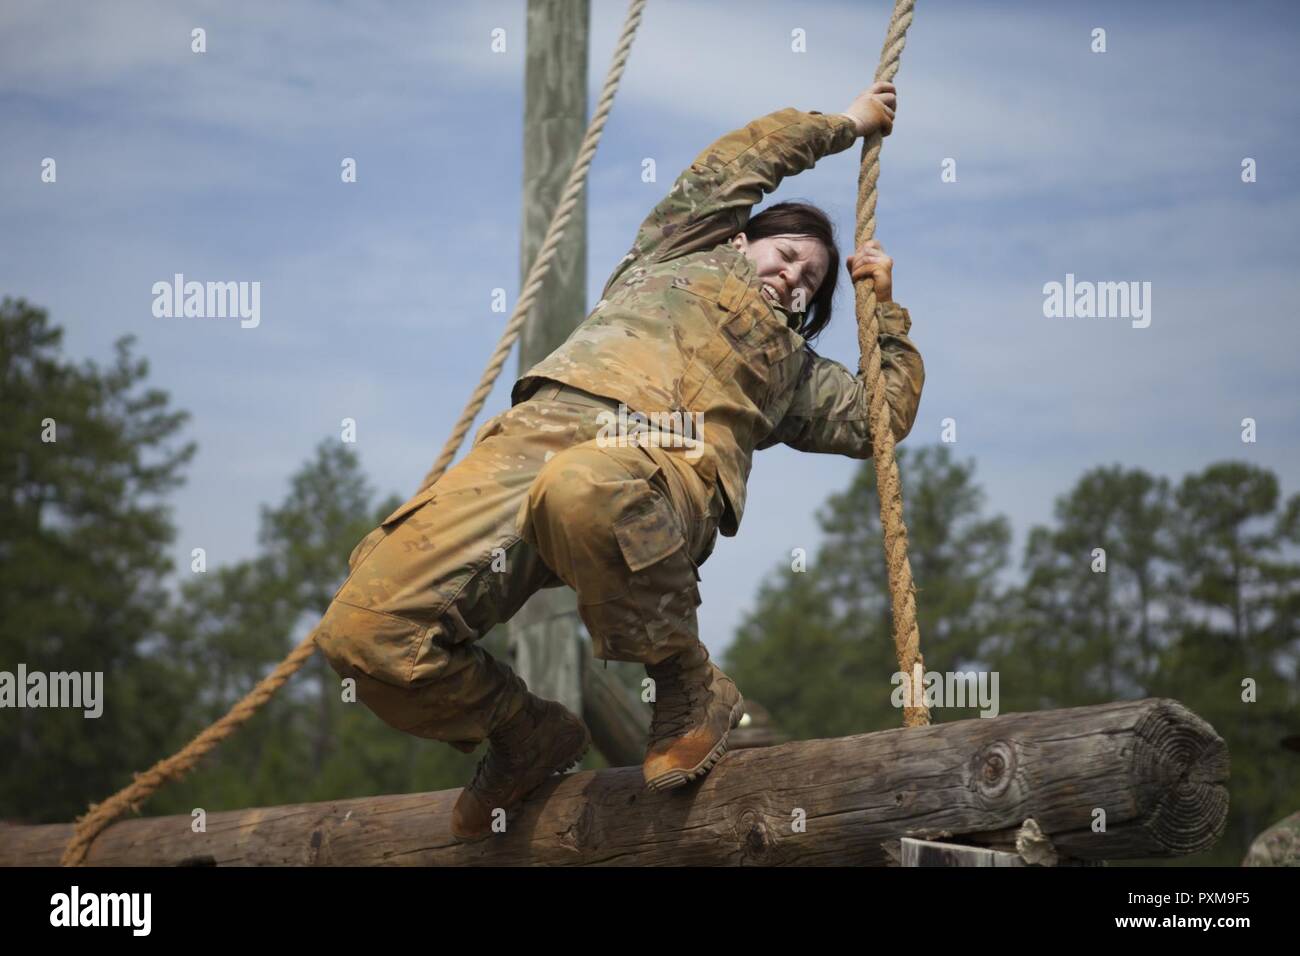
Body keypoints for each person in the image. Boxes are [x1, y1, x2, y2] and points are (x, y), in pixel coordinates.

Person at [315, 81, 925, 842]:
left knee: (581, 489)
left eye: (811, 284)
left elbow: (883, 415)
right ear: (742, 239)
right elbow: (741, 160)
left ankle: (683, 683)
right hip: (533, 434)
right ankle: (521, 733)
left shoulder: (790, 370)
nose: (795, 278)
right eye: (791, 254)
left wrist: (884, 307)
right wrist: (846, 124)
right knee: (363, 637)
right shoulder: (683, 245)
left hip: (655, 466)